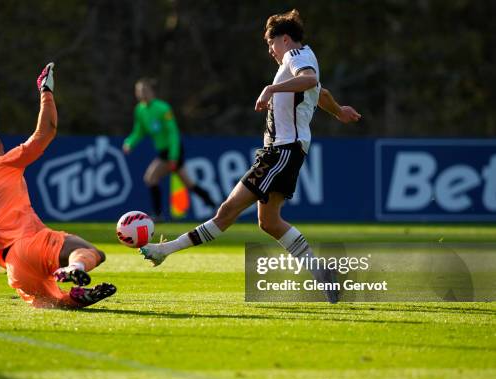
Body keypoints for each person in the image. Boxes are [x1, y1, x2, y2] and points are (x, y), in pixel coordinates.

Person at [139, 10, 361, 303]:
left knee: (227, 211)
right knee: (269, 222)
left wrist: (271, 88)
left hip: (282, 151)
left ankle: (164, 250)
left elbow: (309, 81)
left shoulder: (295, 56)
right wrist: (339, 110)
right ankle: (322, 272)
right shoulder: (302, 56)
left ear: (284, 39)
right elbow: (320, 91)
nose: (270, 50)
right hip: (286, 151)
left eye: (271, 43)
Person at [0, 63, 116, 309]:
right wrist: (46, 91)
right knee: (92, 253)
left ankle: (75, 296)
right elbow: (46, 132)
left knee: (55, 303)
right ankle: (74, 267)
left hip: (14, 268)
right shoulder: (1, 164)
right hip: (29, 244)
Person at [123, 78, 217, 219]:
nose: (142, 94)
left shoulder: (163, 108)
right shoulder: (140, 110)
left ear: (152, 92)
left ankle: (157, 214)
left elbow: (173, 133)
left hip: (173, 150)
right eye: (139, 91)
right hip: (163, 151)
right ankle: (213, 205)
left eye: (145, 91)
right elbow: (139, 131)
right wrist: (130, 142)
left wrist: (173, 156)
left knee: (150, 178)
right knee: (189, 183)